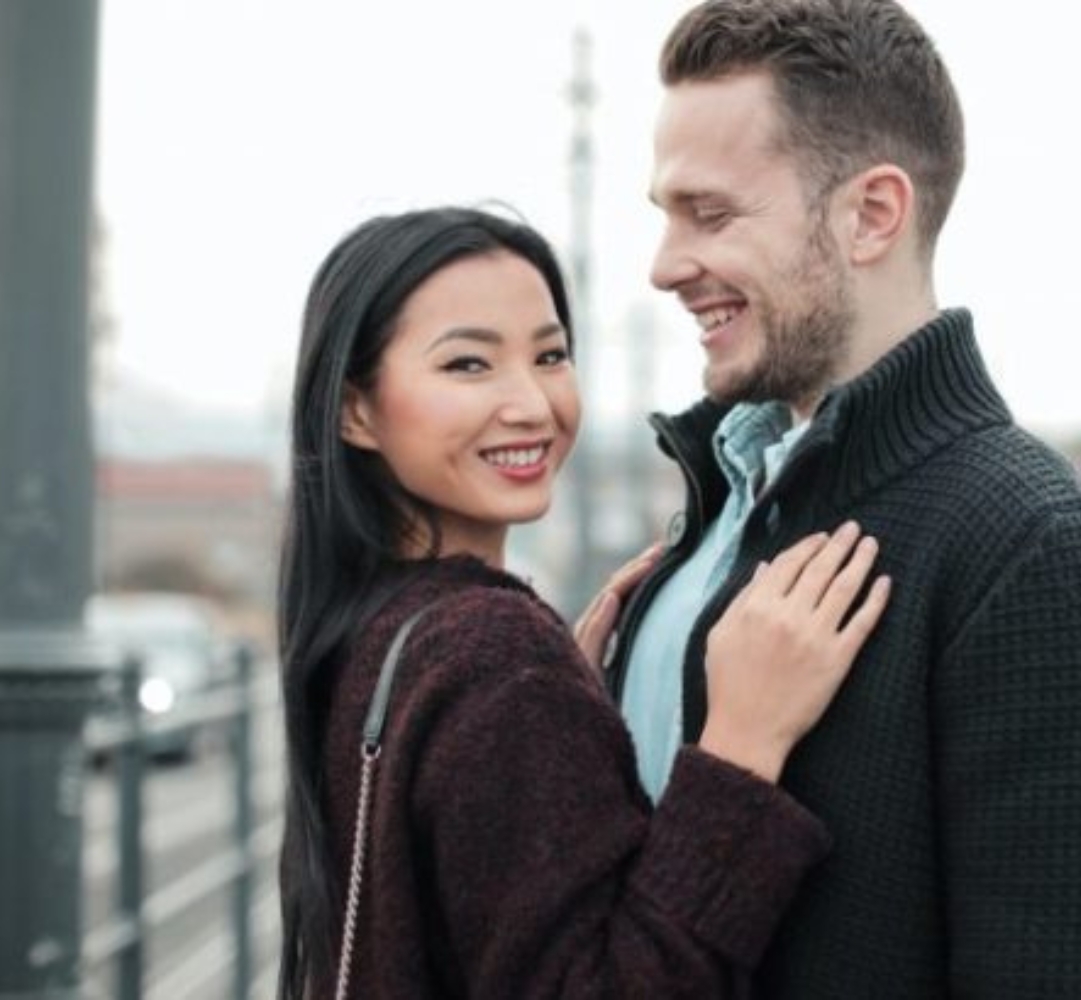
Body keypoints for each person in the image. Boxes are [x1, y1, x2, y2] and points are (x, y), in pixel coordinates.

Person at [606, 1, 1081, 996]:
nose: (664, 266)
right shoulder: (712, 518)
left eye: (711, 213)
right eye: (664, 213)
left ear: (871, 214)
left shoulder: (1039, 557)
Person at [274, 205, 891, 998]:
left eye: (551, 355)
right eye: (468, 365)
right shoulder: (491, 661)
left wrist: (563, 704)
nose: (531, 404)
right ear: (356, 408)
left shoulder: (372, 629)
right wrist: (740, 746)